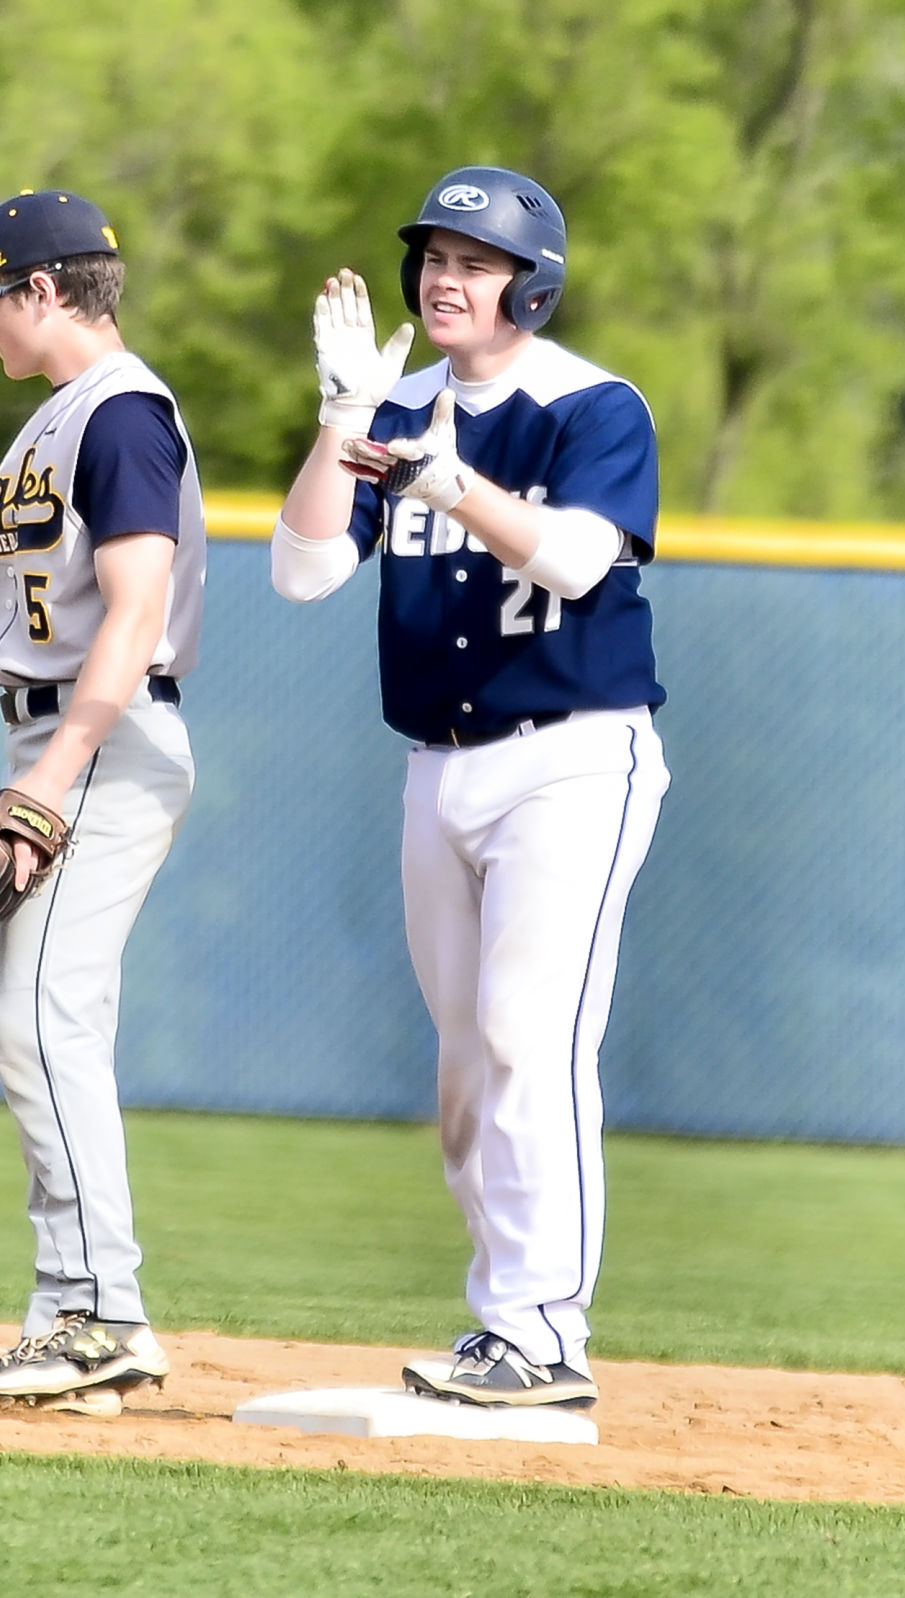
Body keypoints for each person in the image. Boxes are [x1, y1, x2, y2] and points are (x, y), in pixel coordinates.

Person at [271, 166, 669, 1410]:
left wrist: (442, 479)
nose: (447, 276)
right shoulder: (393, 405)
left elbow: (571, 558)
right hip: (435, 765)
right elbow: (300, 571)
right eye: (436, 255)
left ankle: (544, 1332)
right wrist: (344, 422)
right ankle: (499, 1323)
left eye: (477, 260)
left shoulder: (588, 405)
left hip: (571, 756)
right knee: (462, 1069)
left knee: (526, 1038)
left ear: (532, 288)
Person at [0, 188, 205, 1414]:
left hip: (101, 742)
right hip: (67, 739)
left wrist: (48, 771)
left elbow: (135, 615)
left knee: (43, 1013)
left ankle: (97, 1314)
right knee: (38, 1014)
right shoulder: (61, 419)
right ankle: (77, 1322)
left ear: (41, 290)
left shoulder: (121, 414)